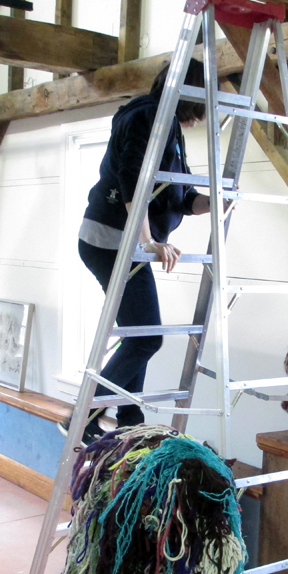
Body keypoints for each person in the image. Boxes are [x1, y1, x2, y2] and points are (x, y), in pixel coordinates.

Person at [73, 58, 211, 443]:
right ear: (190, 95)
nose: (201, 118)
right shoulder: (147, 116)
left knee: (139, 333)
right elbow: (132, 180)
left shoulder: (168, 126)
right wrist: (148, 241)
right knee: (147, 337)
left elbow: (179, 196)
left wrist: (214, 202)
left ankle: (129, 417)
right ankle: (85, 414)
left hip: (123, 242)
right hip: (113, 240)